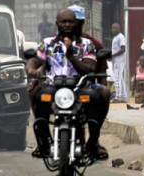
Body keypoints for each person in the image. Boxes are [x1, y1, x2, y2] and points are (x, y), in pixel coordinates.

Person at [27, 9, 112, 161]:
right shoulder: (48, 43)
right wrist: (31, 68)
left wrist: (71, 56)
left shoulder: (87, 44)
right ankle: (43, 141)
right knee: (35, 93)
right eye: (63, 22)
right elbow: (36, 59)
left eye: (70, 21)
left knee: (104, 92)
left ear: (76, 23)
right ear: (57, 24)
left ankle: (93, 141)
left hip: (80, 87)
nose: (67, 25)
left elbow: (89, 68)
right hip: (53, 85)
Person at [108, 21, 129, 102]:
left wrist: (113, 55)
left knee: (117, 78)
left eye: (115, 28)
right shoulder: (115, 37)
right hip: (116, 60)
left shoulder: (121, 37)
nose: (113, 30)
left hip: (120, 60)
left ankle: (118, 97)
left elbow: (123, 49)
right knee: (120, 78)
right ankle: (124, 97)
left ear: (119, 29)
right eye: (112, 28)